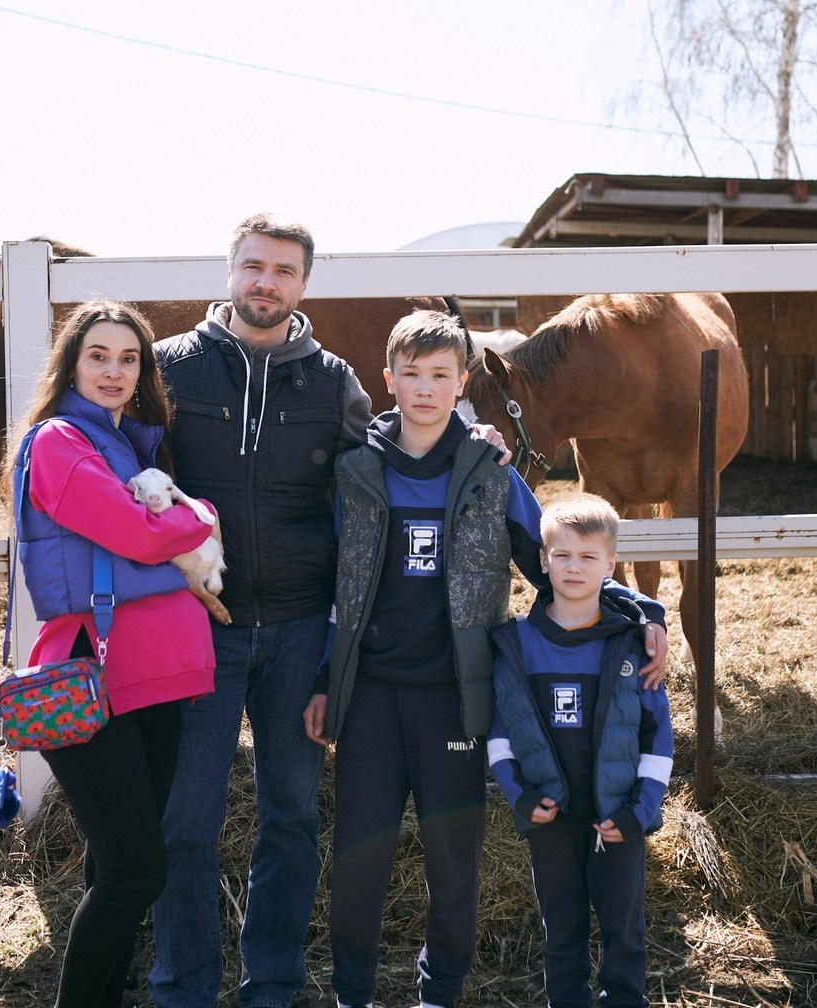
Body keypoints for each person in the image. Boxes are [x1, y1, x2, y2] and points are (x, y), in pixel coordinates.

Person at [302, 311, 668, 1008]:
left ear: (462, 383)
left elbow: (556, 561)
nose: (424, 388)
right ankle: (354, 993)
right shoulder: (356, 473)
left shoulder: (490, 474)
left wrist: (639, 609)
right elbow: (336, 590)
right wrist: (325, 679)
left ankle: (438, 992)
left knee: (453, 864)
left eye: (440, 375)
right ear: (388, 381)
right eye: (410, 374)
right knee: (359, 857)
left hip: (457, 696)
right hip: (373, 696)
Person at [148, 213, 376, 1008]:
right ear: (230, 271)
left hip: (298, 629)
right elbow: (120, 466)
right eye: (253, 266)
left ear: (304, 284)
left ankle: (271, 985)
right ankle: (182, 986)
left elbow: (377, 488)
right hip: (196, 629)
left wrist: (472, 437)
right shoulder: (170, 369)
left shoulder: (334, 382)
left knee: (290, 816)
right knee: (185, 822)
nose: (265, 283)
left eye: (283, 270)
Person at [4, 300, 220, 1008]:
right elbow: (141, 534)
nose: (114, 370)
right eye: (98, 355)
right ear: (72, 363)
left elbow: (145, 541)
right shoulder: (60, 440)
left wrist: (179, 532)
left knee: (114, 870)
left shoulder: (130, 445)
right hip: (93, 676)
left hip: (155, 680)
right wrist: (202, 519)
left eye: (130, 358)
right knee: (135, 874)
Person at [488, 493, 674, 1008]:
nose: (574, 567)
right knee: (561, 931)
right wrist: (520, 798)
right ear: (542, 561)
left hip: (619, 817)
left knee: (624, 932)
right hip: (549, 818)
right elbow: (500, 734)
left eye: (589, 557)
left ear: (611, 565)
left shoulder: (631, 644)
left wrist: (641, 811)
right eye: (562, 556)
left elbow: (657, 738)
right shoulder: (515, 644)